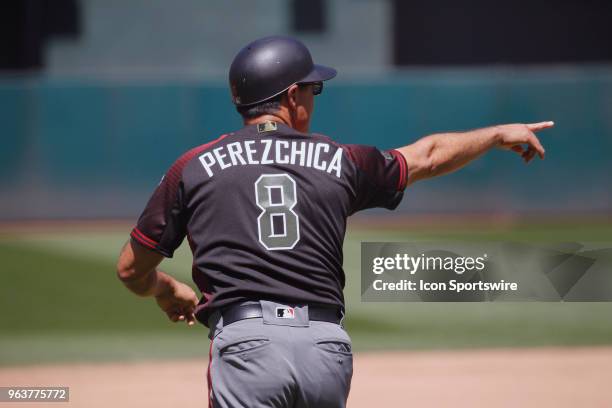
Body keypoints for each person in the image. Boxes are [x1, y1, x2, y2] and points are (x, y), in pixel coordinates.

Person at [116, 36, 553, 408]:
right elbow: (429, 155)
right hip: (325, 349)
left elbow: (130, 269)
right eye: (312, 89)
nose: (312, 97)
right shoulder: (340, 161)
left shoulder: (194, 167)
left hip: (247, 348)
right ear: (290, 96)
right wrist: (497, 135)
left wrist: (165, 288)